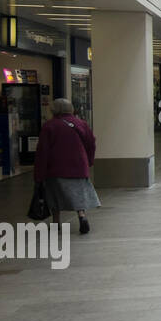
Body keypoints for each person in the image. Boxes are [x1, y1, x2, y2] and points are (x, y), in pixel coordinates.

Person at [34, 99, 99, 235]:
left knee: (54, 195)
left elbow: (43, 151)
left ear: (54, 110)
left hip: (56, 167)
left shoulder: (49, 126)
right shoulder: (81, 124)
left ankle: (56, 222)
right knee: (78, 193)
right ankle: (81, 216)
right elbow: (91, 143)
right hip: (79, 165)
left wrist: (39, 173)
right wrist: (89, 161)